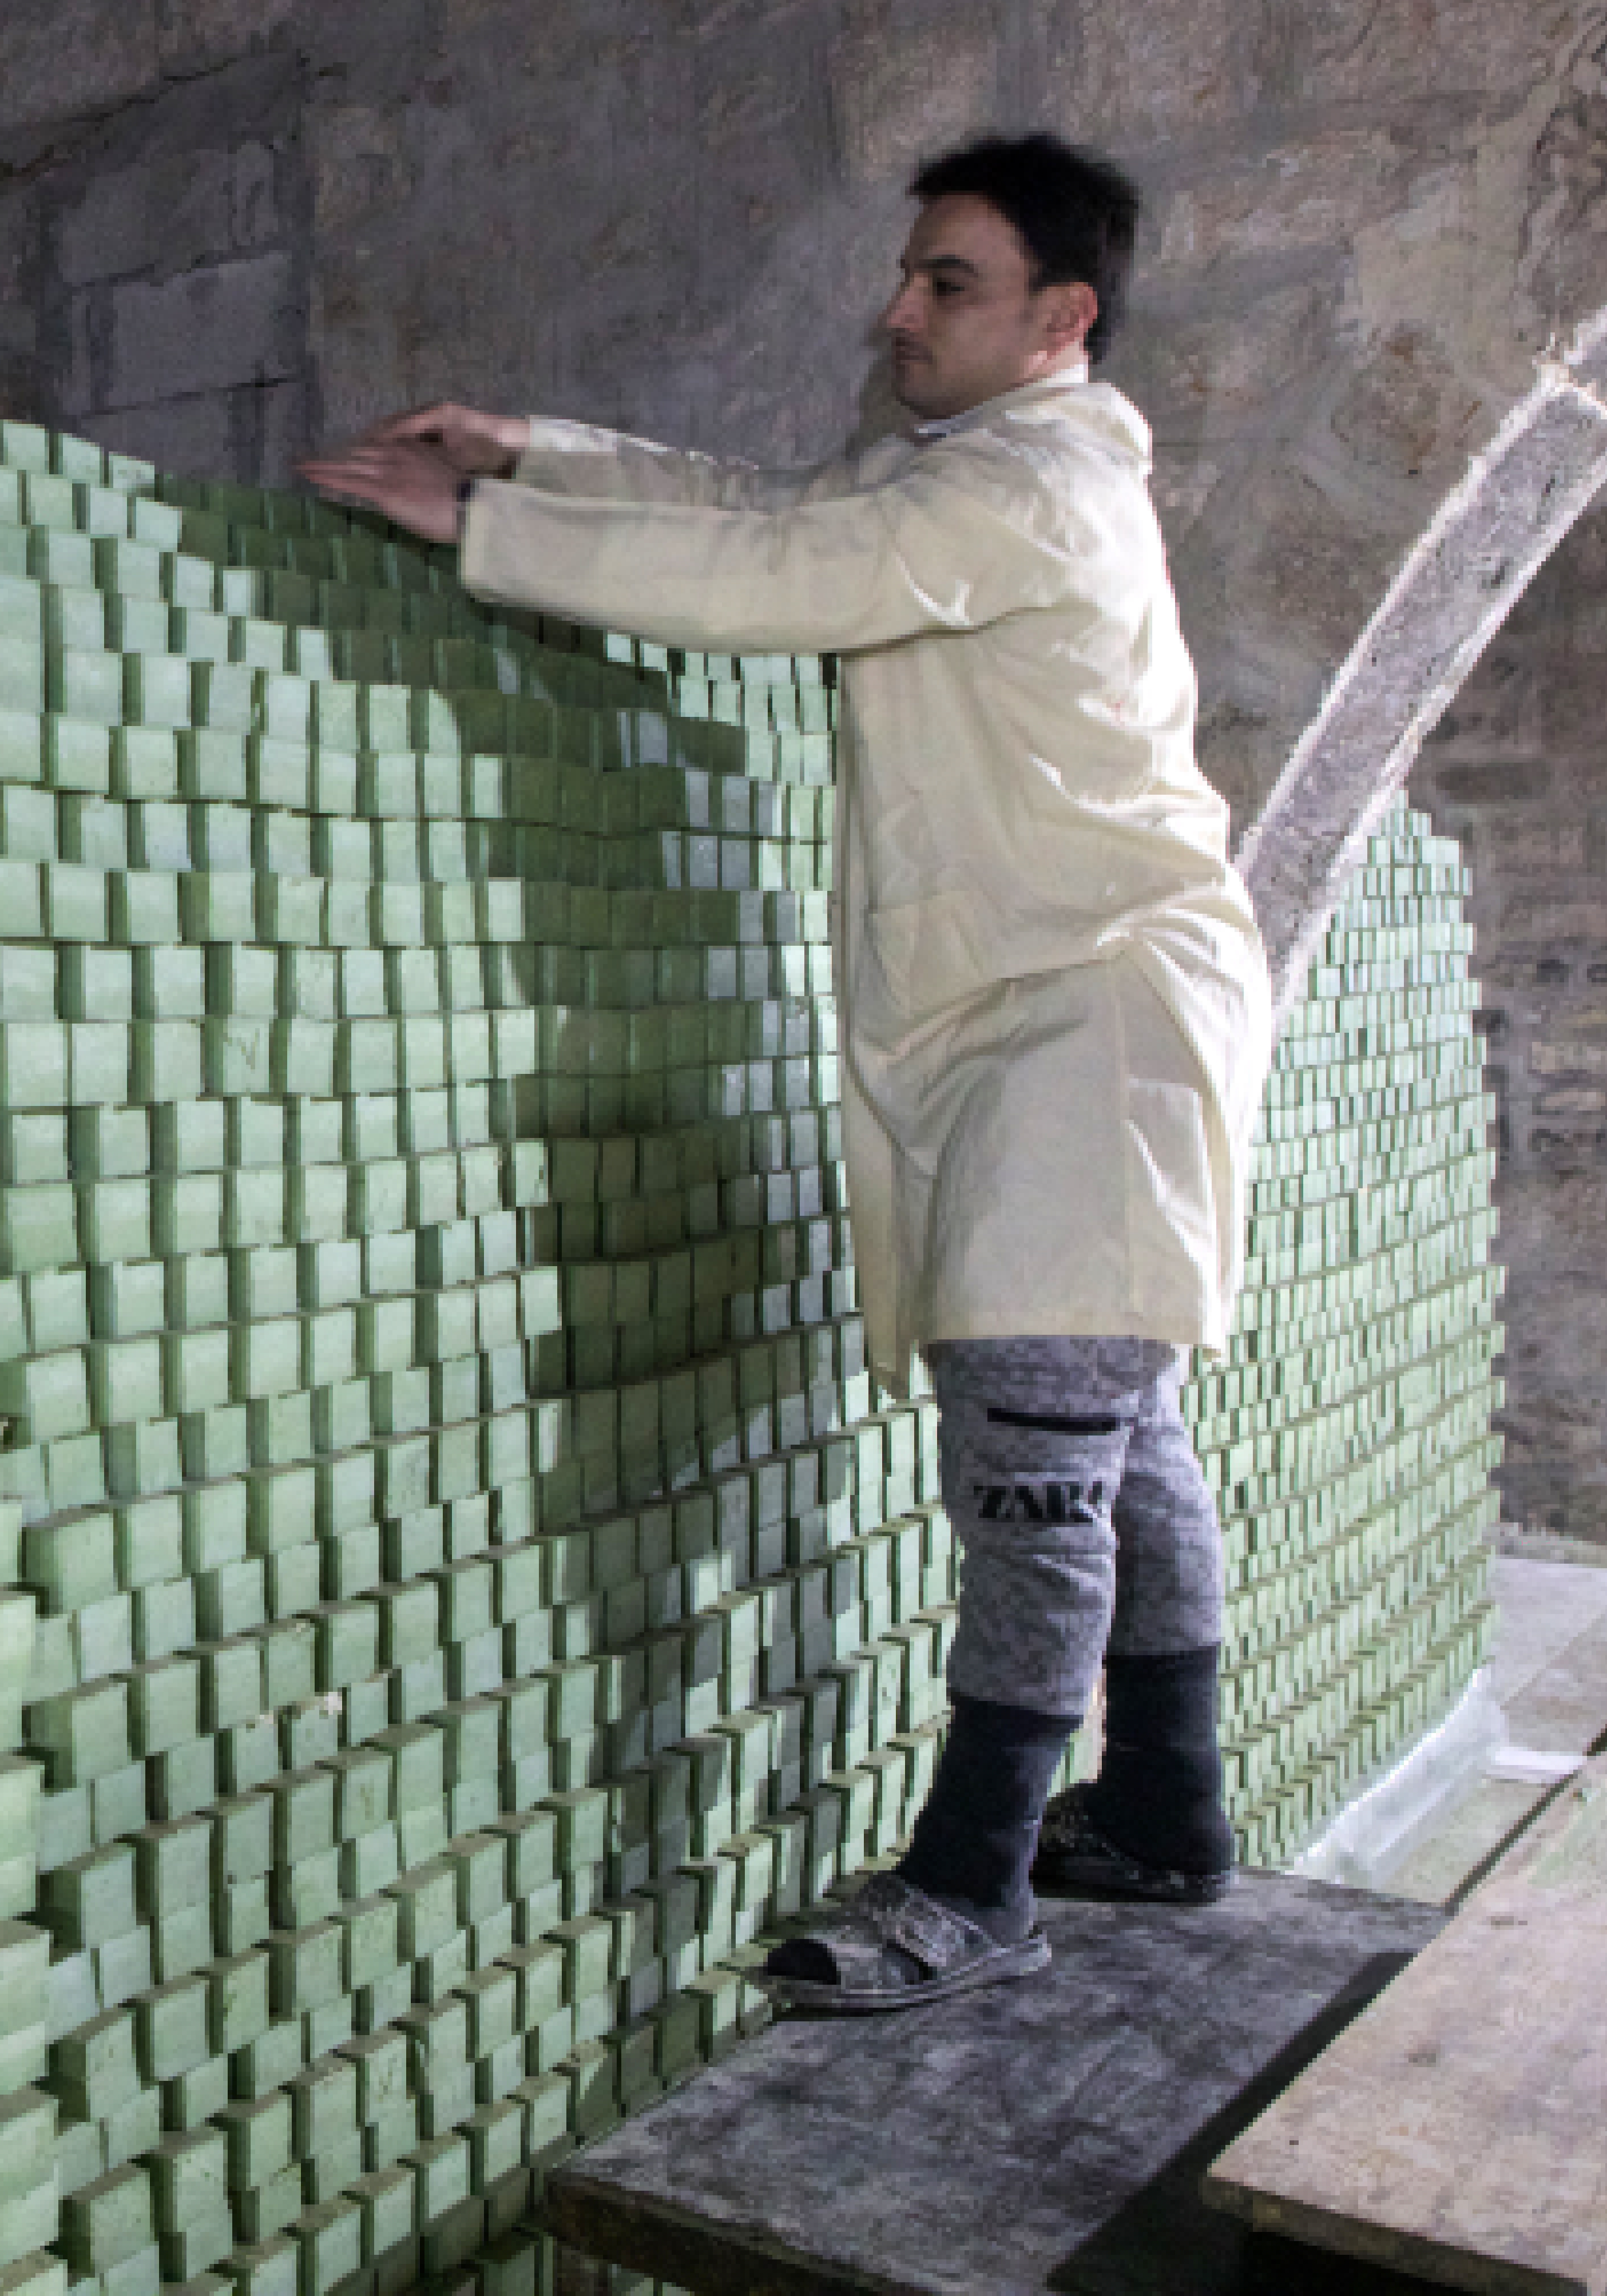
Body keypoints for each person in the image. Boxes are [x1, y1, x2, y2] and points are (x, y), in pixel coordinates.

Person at [299, 134, 1273, 2013]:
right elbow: (774, 502)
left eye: (949, 285)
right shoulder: (963, 465)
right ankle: (1166, 1813)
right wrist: (537, 448)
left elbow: (801, 571)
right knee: (1120, 1427)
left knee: (1037, 1464)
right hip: (1045, 1004)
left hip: (1100, 1010)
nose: (897, 308)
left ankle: (974, 1876)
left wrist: (492, 537)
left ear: (1061, 320)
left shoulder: (1043, 491)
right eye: (910, 275)